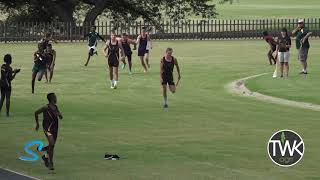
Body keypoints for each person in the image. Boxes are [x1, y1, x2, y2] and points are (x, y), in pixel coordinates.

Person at [35, 93, 63, 171]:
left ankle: (45, 156)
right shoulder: (45, 107)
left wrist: (59, 115)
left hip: (55, 128)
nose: (56, 98)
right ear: (52, 99)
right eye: (55, 97)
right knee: (52, 143)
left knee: (52, 146)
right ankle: (51, 163)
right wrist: (37, 124)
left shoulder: (56, 107)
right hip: (47, 128)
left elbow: (60, 116)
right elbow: (36, 113)